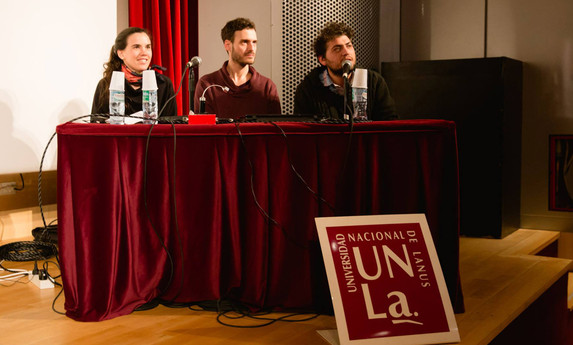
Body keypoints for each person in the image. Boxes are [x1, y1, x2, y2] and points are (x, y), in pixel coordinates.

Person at [294, 22, 397, 121]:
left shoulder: (374, 81)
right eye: (337, 49)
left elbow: (390, 125)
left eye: (349, 46)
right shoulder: (308, 88)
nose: (346, 52)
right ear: (322, 60)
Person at [194, 17, 281, 119]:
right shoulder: (207, 85)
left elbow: (277, 132)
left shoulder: (267, 87)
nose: (251, 48)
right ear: (228, 45)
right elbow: (206, 131)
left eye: (254, 42)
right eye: (244, 42)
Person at [91, 27, 177, 121]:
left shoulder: (163, 84)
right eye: (136, 47)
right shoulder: (106, 85)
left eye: (148, 47)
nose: (144, 52)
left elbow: (171, 127)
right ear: (121, 54)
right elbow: (96, 126)